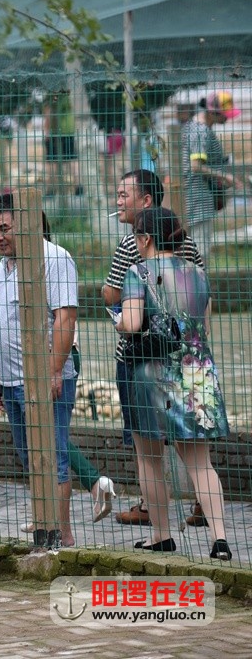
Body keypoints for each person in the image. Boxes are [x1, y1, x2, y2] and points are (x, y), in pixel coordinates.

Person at [116, 207, 231, 561]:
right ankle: (220, 540)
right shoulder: (198, 273)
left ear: (146, 238)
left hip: (151, 375)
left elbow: (133, 324)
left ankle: (161, 535)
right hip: (195, 373)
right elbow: (203, 327)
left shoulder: (138, 272)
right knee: (200, 464)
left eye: (136, 236)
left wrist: (119, 321)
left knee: (149, 458)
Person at [102, 170, 206, 527]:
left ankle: (151, 510)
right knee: (189, 436)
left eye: (123, 195)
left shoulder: (135, 244)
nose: (118, 201)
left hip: (140, 356)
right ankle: (201, 503)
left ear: (146, 200)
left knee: (146, 442)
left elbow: (112, 293)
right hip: (186, 353)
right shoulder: (184, 238)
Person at [0, 193, 76, 547]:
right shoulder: (3, 268)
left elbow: (65, 318)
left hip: (45, 379)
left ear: (27, 224)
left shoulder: (54, 258)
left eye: (5, 228)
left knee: (53, 457)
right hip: (11, 381)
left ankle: (61, 536)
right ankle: (43, 527)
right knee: (29, 458)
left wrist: (53, 371)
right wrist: (0, 381)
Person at [181, 91, 242, 260]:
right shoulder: (200, 132)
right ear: (213, 112)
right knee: (200, 252)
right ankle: (197, 285)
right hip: (197, 198)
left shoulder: (196, 127)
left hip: (198, 196)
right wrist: (224, 177)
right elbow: (195, 166)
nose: (228, 118)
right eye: (225, 114)